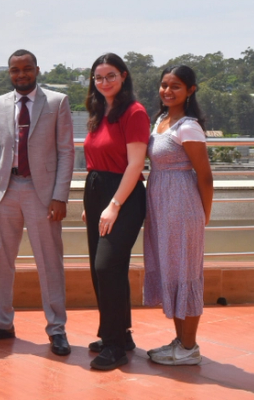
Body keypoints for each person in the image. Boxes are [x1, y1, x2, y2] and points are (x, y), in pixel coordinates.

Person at [0, 50, 74, 356]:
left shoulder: (57, 102)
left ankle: (56, 329)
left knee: (49, 262)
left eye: (26, 69)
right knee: (1, 260)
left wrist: (60, 196)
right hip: (6, 191)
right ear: (9, 73)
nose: (21, 75)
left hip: (42, 194)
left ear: (37, 70)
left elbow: (66, 151)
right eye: (15, 70)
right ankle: (2, 322)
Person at [82, 53, 149, 370]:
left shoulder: (134, 112)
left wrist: (113, 205)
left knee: (107, 266)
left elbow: (135, 165)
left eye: (110, 76)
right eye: (98, 77)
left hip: (123, 195)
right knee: (104, 268)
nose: (104, 82)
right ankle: (120, 334)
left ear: (123, 76)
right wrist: (93, 204)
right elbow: (95, 158)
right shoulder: (98, 111)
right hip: (97, 192)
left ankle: (114, 347)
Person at [144, 65, 214, 366]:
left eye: (175, 86)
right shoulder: (160, 121)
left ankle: (189, 347)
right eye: (164, 85)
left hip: (182, 206)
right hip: (160, 207)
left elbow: (205, 176)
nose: (167, 91)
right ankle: (180, 340)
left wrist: (203, 215)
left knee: (186, 272)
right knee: (172, 271)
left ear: (190, 90)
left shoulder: (188, 127)